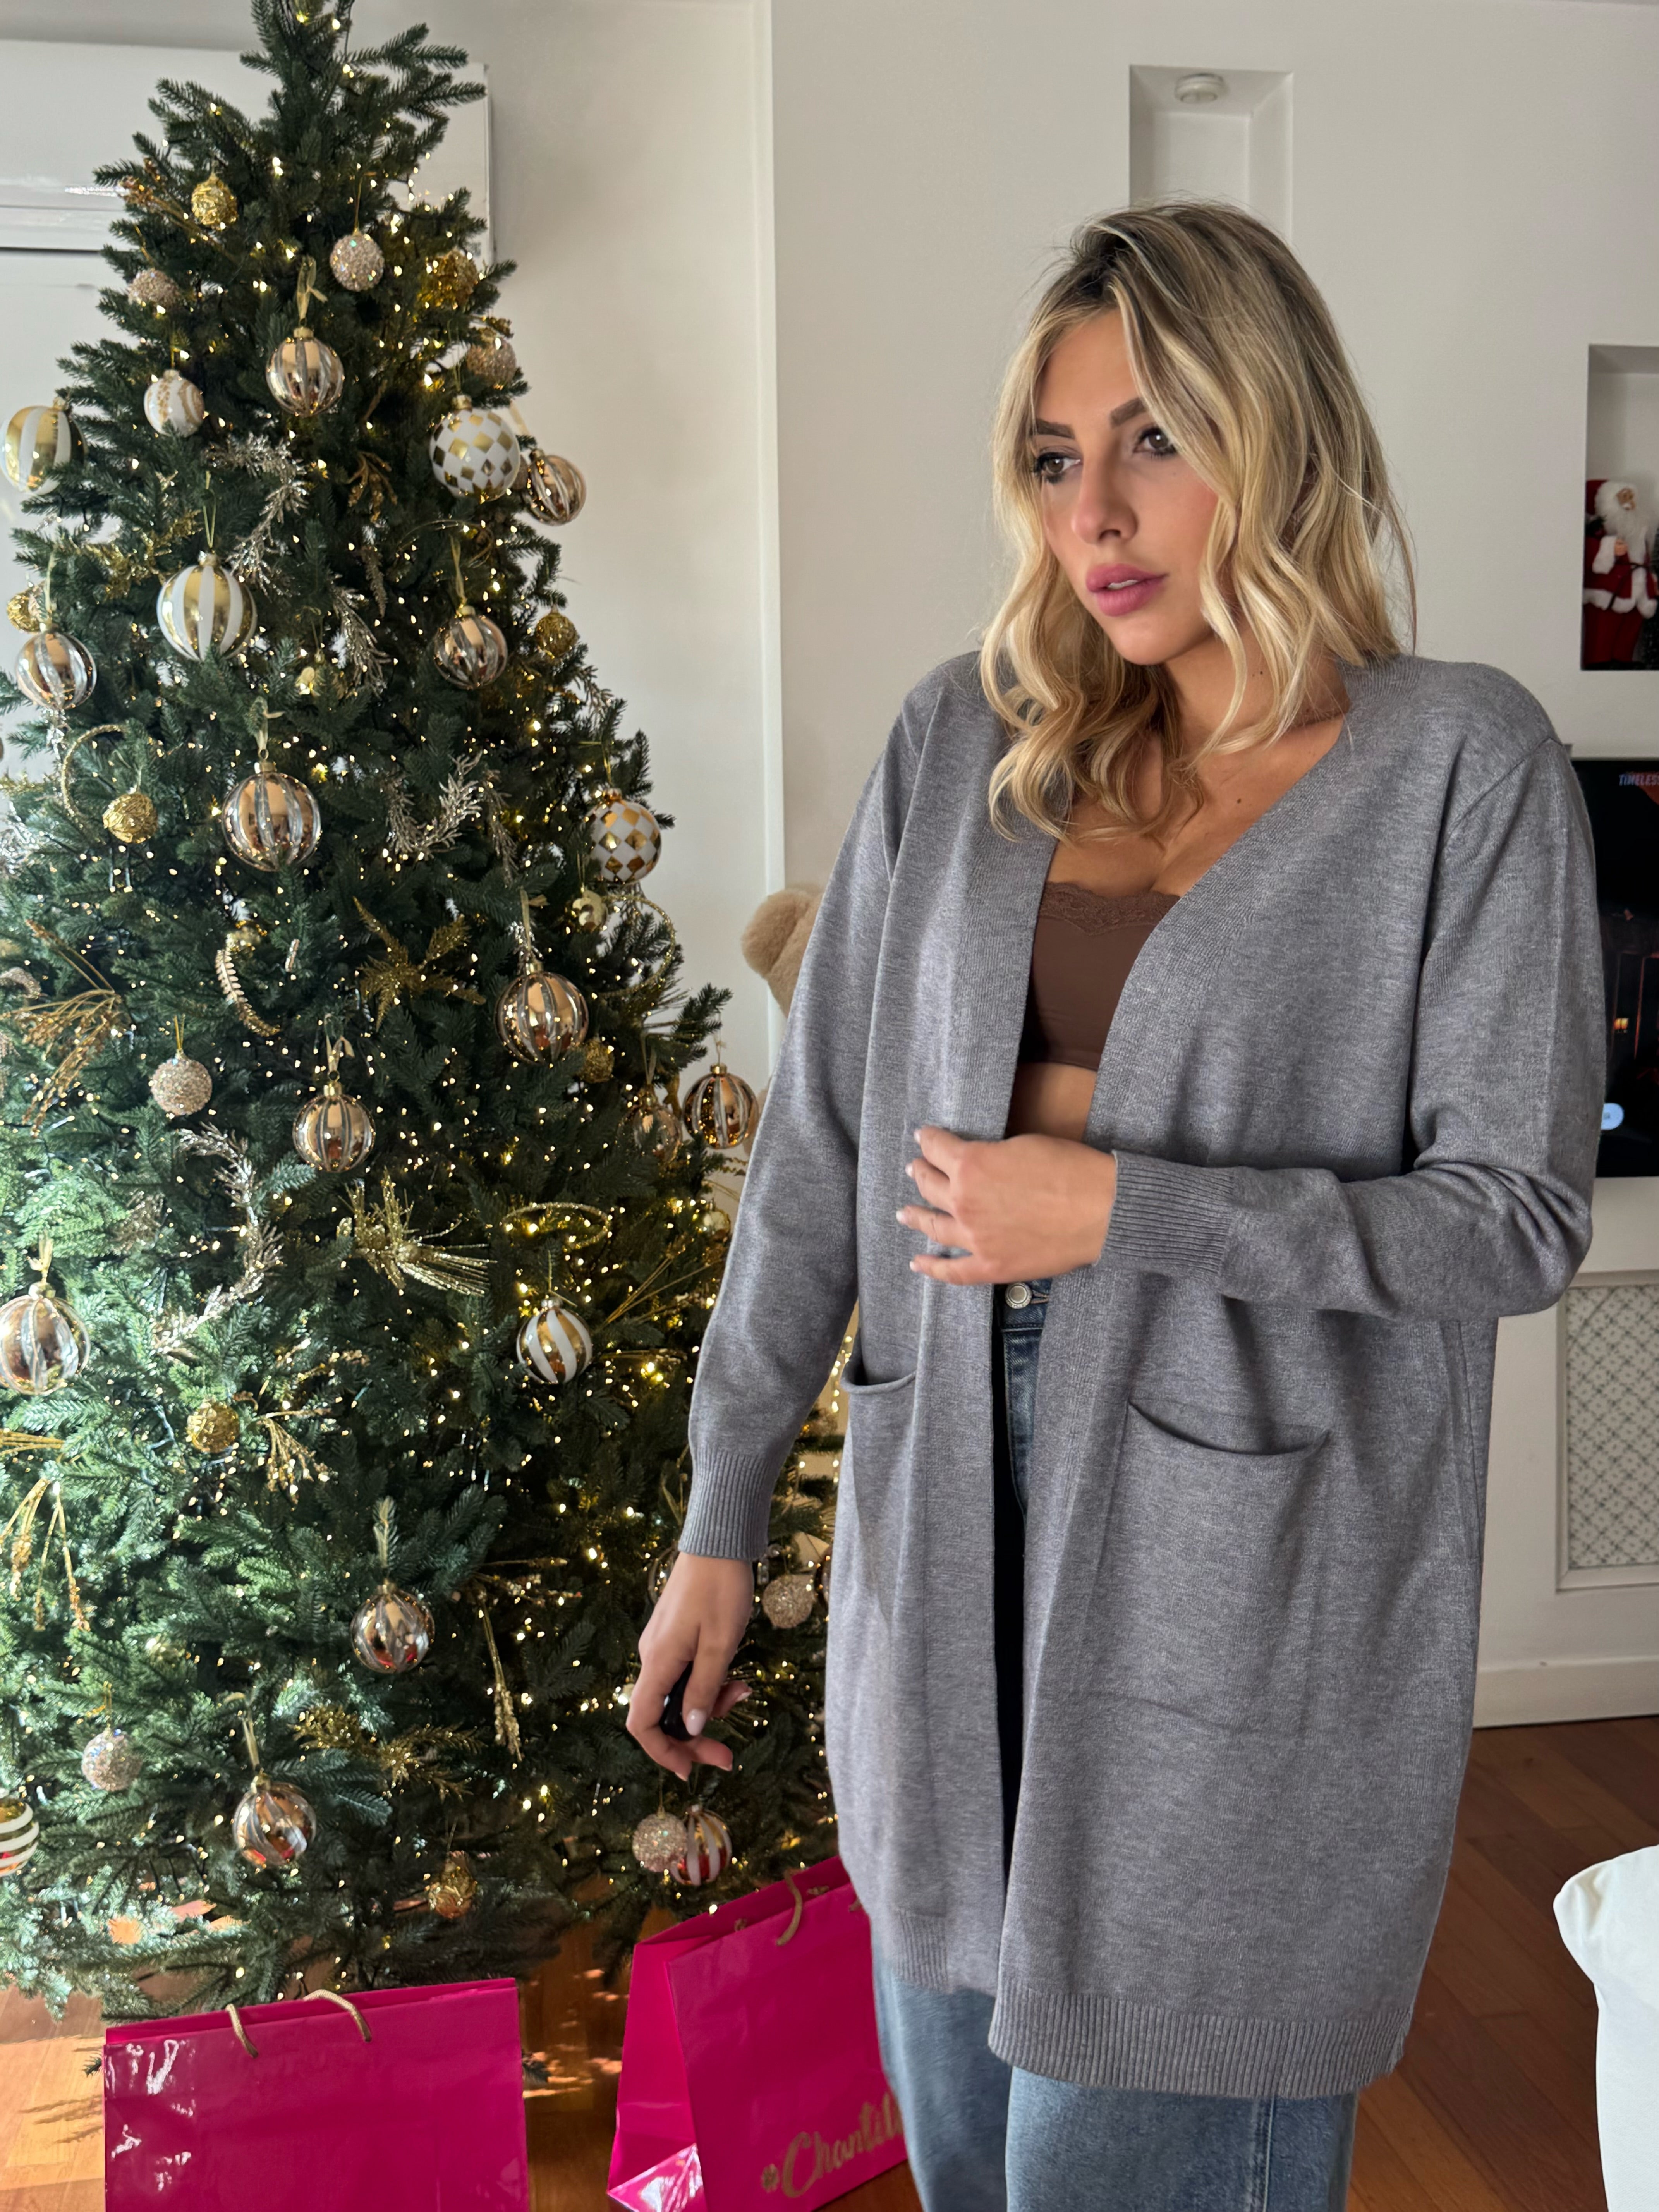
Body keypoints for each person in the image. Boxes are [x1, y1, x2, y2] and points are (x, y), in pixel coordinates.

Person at [625, 201, 1606, 2211]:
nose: (1099, 513)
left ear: (1280, 431)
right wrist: (722, 1518)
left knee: (1147, 2148)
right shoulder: (961, 739)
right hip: (940, 1539)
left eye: (1157, 439)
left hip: (1249, 1583)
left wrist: (1129, 1212)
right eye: (1057, 457)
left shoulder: (1459, 766)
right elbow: (821, 1152)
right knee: (969, 2154)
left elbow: (1514, 1218)